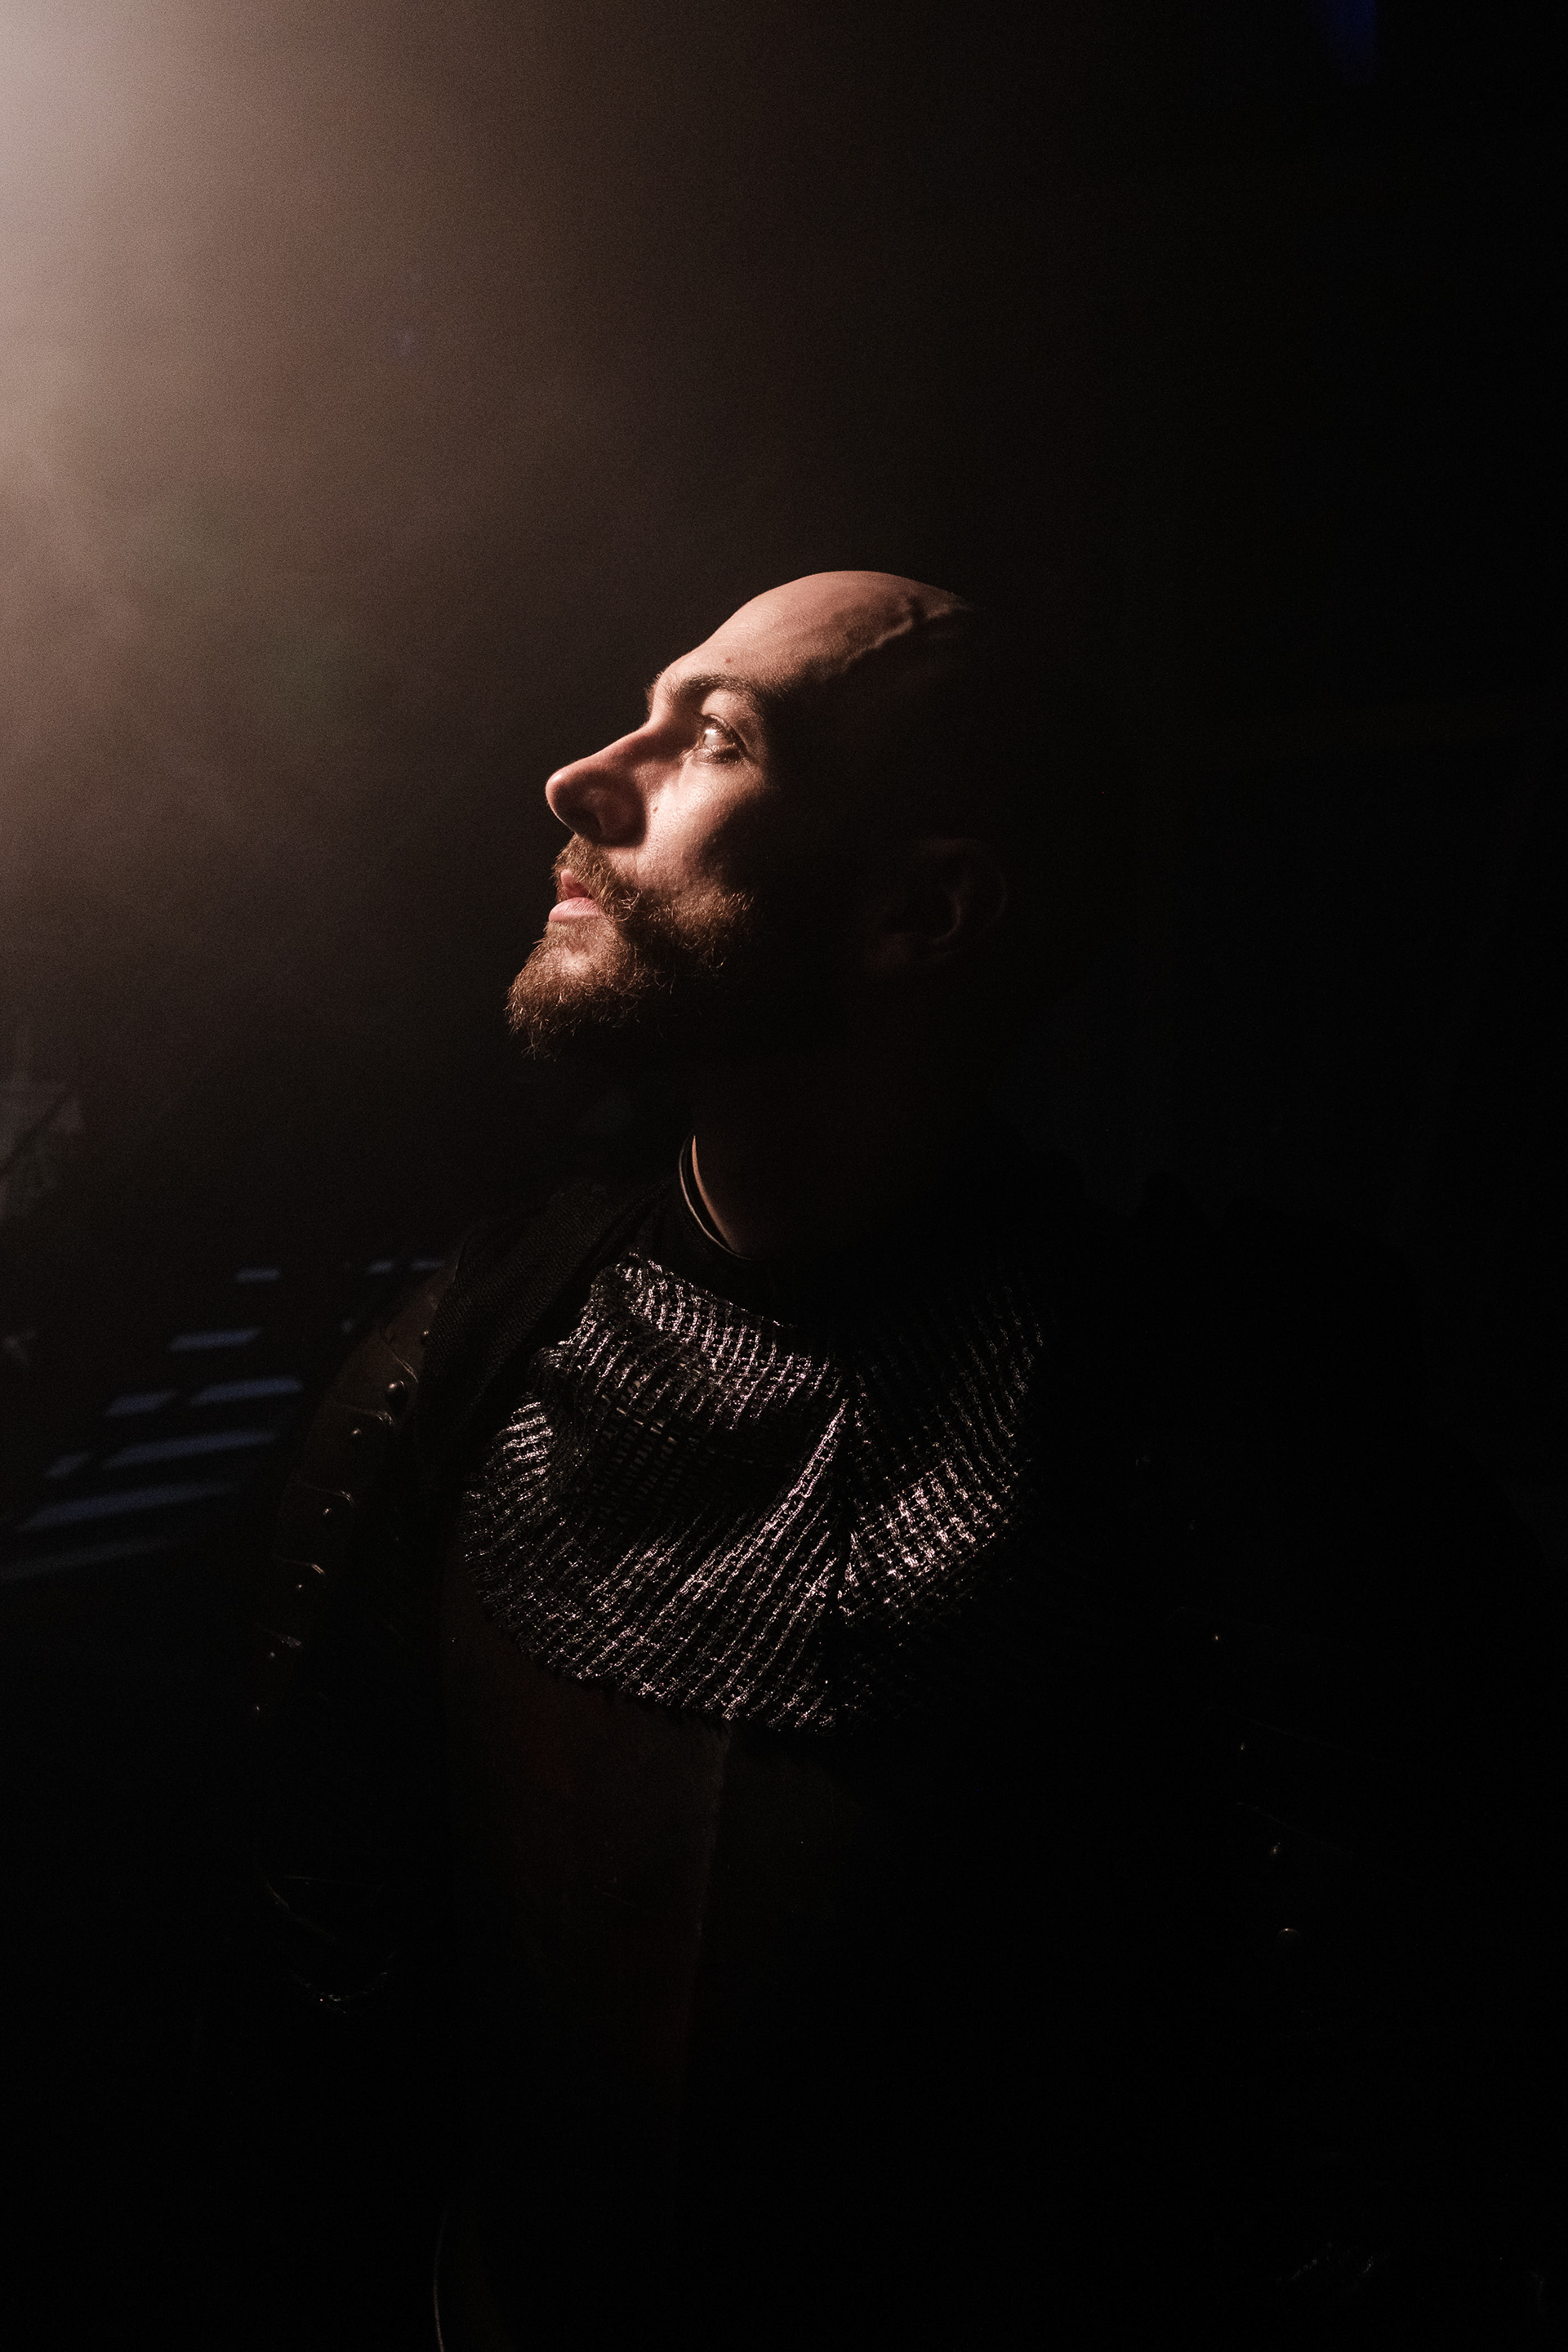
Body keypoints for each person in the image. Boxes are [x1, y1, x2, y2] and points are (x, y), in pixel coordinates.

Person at [248, 574, 1564, 2348]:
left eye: (716, 736)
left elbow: (1405, 2125)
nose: (582, 775)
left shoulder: (1226, 1449)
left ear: (920, 912)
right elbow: (327, 1972)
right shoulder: (462, 1363)